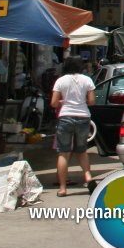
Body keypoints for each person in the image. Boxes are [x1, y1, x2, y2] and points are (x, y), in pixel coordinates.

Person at [50, 56, 97, 196]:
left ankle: (63, 188)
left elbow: (53, 103)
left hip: (65, 117)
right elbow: (92, 101)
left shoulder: (60, 81)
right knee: (82, 151)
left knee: (64, 153)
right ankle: (88, 177)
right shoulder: (87, 80)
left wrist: (63, 102)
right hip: (83, 117)